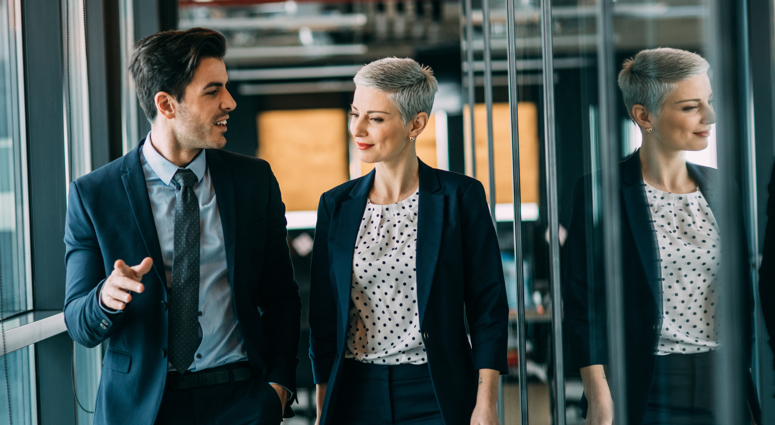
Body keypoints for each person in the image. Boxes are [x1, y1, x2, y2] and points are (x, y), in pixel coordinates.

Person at [63, 28, 301, 425]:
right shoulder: (95, 195)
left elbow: (281, 295)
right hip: (144, 409)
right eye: (212, 91)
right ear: (166, 104)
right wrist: (106, 296)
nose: (230, 102)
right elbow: (79, 324)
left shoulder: (253, 181)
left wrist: (278, 387)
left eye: (225, 87)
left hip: (242, 401)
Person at [307, 57, 509, 425]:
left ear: (416, 124)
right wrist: (323, 403)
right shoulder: (335, 205)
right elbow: (323, 317)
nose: (358, 129)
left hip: (435, 388)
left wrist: (487, 402)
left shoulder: (459, 197)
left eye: (376, 118)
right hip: (355, 392)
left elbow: (488, 307)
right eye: (355, 114)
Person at [565, 47, 757, 424]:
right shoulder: (601, 190)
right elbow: (582, 304)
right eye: (691, 107)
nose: (710, 117)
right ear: (644, 115)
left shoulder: (721, 187)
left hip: (724, 382)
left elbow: (742, 295)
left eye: (709, 102)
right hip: (647, 385)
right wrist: (599, 398)